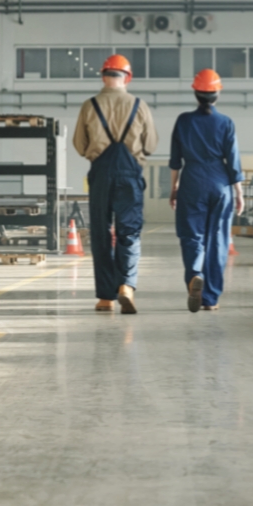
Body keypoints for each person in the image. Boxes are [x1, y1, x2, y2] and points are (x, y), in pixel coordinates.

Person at [72, 54, 158, 314]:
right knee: (128, 232)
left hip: (101, 174)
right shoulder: (139, 105)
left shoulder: (89, 106)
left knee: (100, 233)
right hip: (129, 175)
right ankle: (126, 286)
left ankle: (105, 298)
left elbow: (79, 144)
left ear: (103, 76)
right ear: (128, 78)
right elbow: (151, 144)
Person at [168, 69, 244, 313]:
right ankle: (210, 299)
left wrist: (174, 187)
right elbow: (233, 161)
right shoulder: (226, 123)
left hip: (192, 180)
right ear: (217, 93)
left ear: (195, 92)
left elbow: (175, 160)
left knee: (192, 236)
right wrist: (239, 193)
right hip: (220, 183)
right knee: (218, 240)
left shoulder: (183, 121)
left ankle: (194, 276)